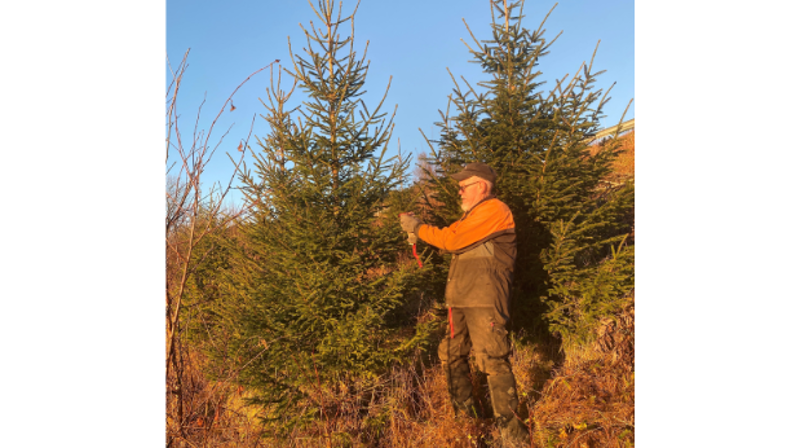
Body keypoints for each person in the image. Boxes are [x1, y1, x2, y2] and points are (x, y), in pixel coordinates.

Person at [399, 162, 527, 444]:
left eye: (463, 186)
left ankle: (513, 437)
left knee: (492, 358)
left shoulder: (495, 211)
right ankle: (468, 423)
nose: (459, 192)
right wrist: (419, 229)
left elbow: (451, 240)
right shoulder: (472, 217)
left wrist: (418, 228)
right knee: (451, 353)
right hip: (460, 300)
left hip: (484, 300)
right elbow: (451, 235)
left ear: (481, 186)